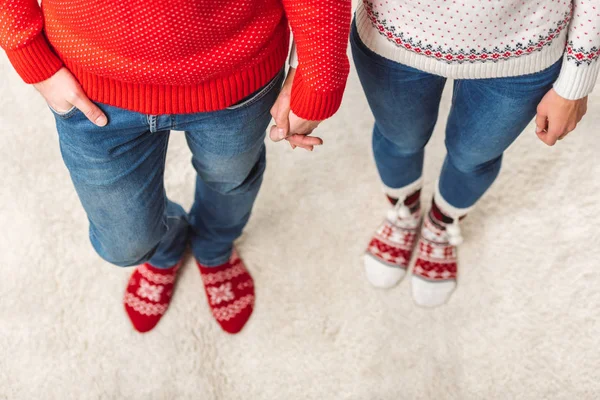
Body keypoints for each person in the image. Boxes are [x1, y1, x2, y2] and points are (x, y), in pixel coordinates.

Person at [0, 0, 350, 333]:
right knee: (126, 244)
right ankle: (165, 248)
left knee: (229, 181)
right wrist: (28, 53)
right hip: (90, 83)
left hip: (237, 71)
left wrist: (319, 73)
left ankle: (213, 247)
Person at [352, 0, 598, 307]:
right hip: (395, 30)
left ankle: (440, 222)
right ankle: (406, 209)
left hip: (524, 39)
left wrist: (577, 77)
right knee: (399, 139)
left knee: (473, 158)